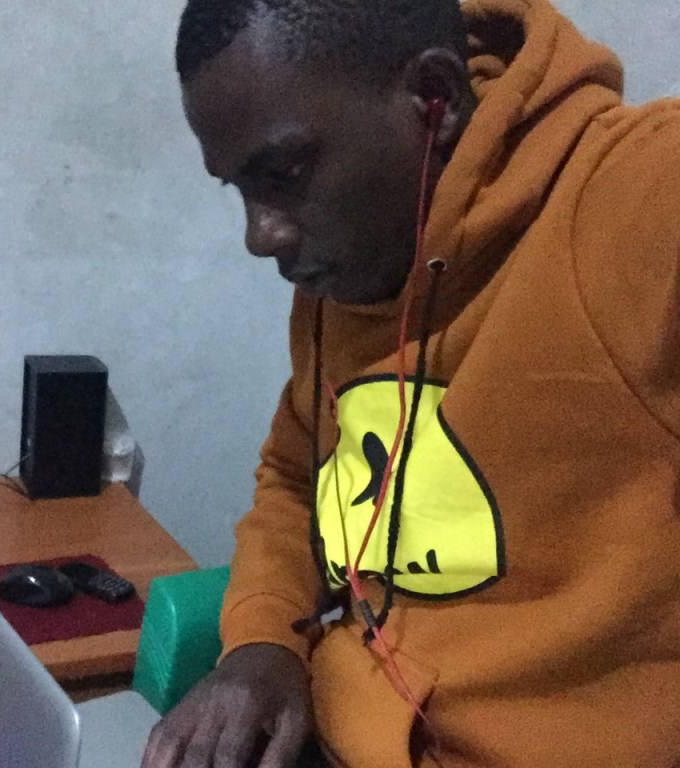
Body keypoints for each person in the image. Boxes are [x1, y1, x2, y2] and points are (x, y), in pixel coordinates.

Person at [142, 0, 680, 766]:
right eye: (239, 189)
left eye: (285, 174)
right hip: (337, 733)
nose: (261, 236)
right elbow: (296, 480)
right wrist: (263, 644)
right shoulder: (351, 263)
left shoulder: (631, 193)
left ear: (436, 99)